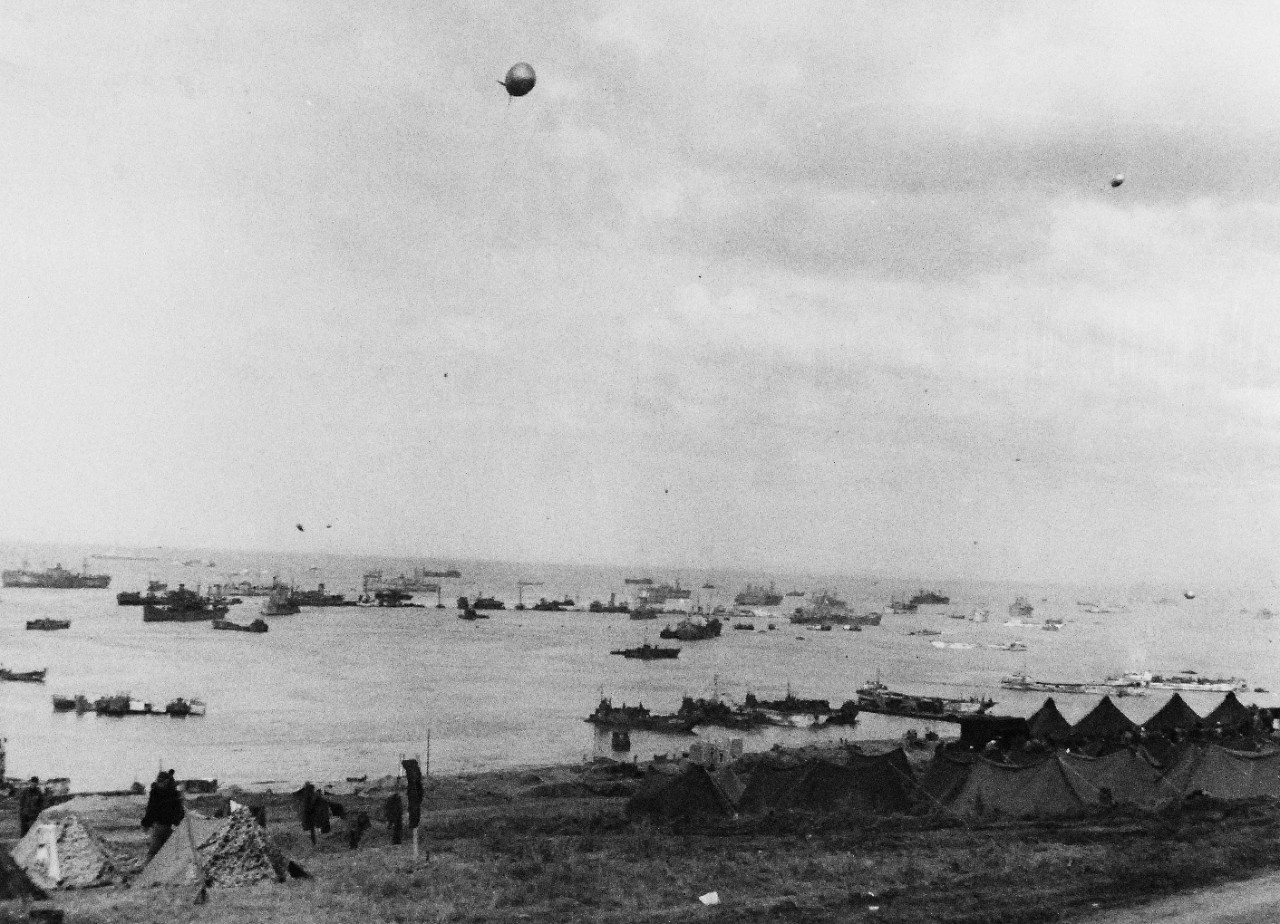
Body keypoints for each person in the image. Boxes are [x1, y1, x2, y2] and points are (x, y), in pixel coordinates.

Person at [141, 769, 185, 859]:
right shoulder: (156, 793)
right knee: (155, 851)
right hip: (159, 825)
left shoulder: (172, 794)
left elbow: (179, 809)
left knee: (168, 852)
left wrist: (178, 821)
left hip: (171, 826)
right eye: (158, 781)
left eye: (161, 781)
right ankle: (150, 868)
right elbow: (150, 810)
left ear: (166, 781)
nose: (160, 783)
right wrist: (146, 823)